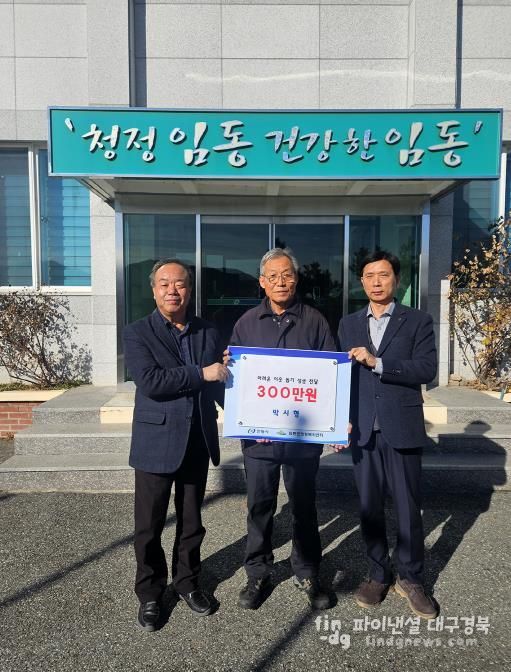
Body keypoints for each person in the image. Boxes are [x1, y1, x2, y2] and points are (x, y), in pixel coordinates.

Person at [228, 247, 336, 610]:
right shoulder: (246, 323)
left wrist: (335, 423)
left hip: (303, 438)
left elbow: (331, 378)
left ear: (296, 278)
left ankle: (307, 571)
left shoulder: (315, 321)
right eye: (272, 276)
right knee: (259, 506)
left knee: (304, 507)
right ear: (262, 282)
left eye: (286, 275)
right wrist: (246, 414)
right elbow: (237, 381)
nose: (280, 282)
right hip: (259, 440)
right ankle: (258, 573)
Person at [124, 259, 228, 631]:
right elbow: (152, 381)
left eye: (180, 283)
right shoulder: (137, 332)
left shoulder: (208, 331)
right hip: (155, 442)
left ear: (190, 289)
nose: (173, 290)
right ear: (154, 290)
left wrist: (251, 417)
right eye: (165, 283)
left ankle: (187, 582)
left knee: (191, 523)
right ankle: (150, 593)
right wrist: (202, 373)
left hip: (196, 440)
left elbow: (219, 383)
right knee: (148, 527)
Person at [336, 250, 438, 619]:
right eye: (369, 275)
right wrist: (340, 419)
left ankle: (410, 578)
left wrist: (377, 362)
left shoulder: (418, 320)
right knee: (369, 507)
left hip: (402, 426)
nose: (376, 282)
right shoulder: (348, 324)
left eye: (383, 274)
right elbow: (341, 377)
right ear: (361, 282)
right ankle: (378, 573)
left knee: (408, 508)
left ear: (396, 279)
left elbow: (426, 369)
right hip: (363, 429)